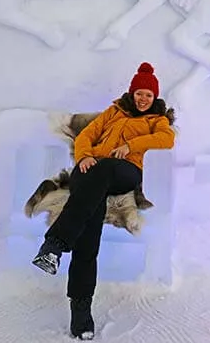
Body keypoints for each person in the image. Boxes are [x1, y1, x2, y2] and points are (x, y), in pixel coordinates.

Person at [32, 62, 175, 339]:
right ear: (132, 94)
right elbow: (86, 135)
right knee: (87, 234)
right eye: (139, 93)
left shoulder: (157, 119)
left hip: (124, 171)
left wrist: (131, 145)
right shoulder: (114, 112)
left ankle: (55, 244)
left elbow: (166, 139)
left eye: (148, 95)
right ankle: (81, 313)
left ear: (154, 97)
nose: (143, 99)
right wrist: (84, 155)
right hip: (91, 172)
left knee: (106, 168)